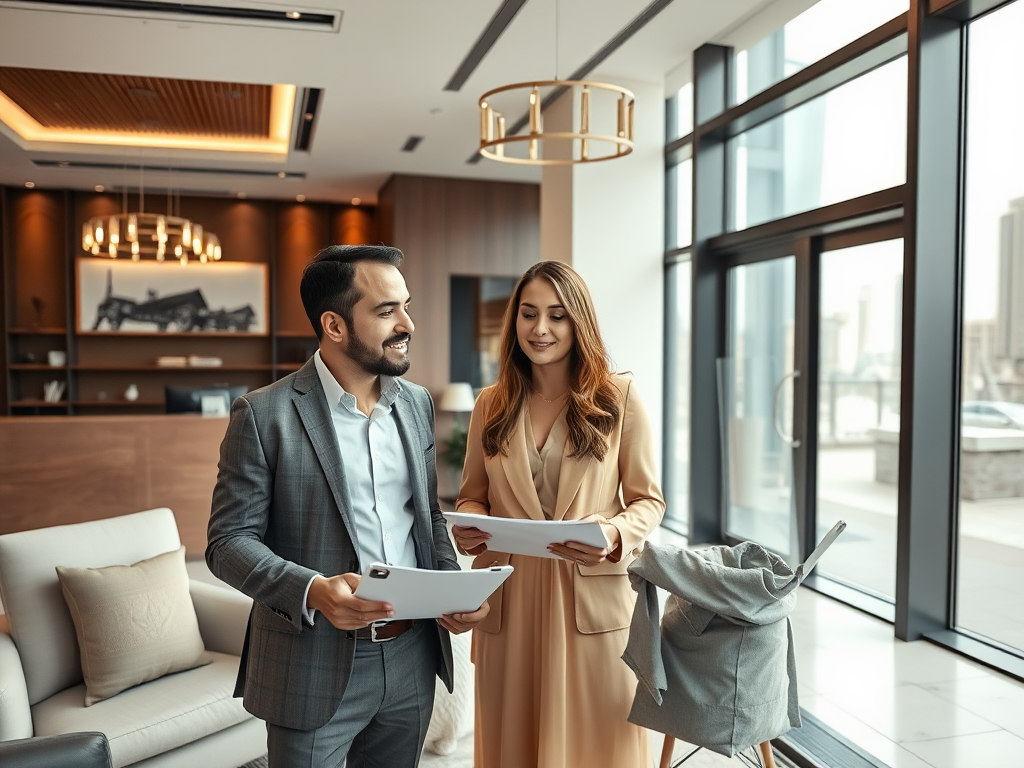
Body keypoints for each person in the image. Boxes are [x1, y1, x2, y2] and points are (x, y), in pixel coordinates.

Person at [207, 244, 489, 768]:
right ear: (335, 326)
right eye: (386, 312)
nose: (407, 323)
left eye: (406, 305)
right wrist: (313, 590)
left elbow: (426, 516)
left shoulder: (417, 403)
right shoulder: (262, 414)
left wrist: (452, 587)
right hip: (310, 659)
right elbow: (226, 544)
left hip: (411, 654)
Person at [451, 260, 666, 768]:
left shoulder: (619, 398)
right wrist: (470, 527)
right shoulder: (490, 404)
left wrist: (611, 533)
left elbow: (648, 501)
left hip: (591, 605)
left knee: (599, 747)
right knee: (513, 747)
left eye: (557, 315)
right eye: (528, 314)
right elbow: (471, 496)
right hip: (510, 599)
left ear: (579, 323)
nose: (540, 329)